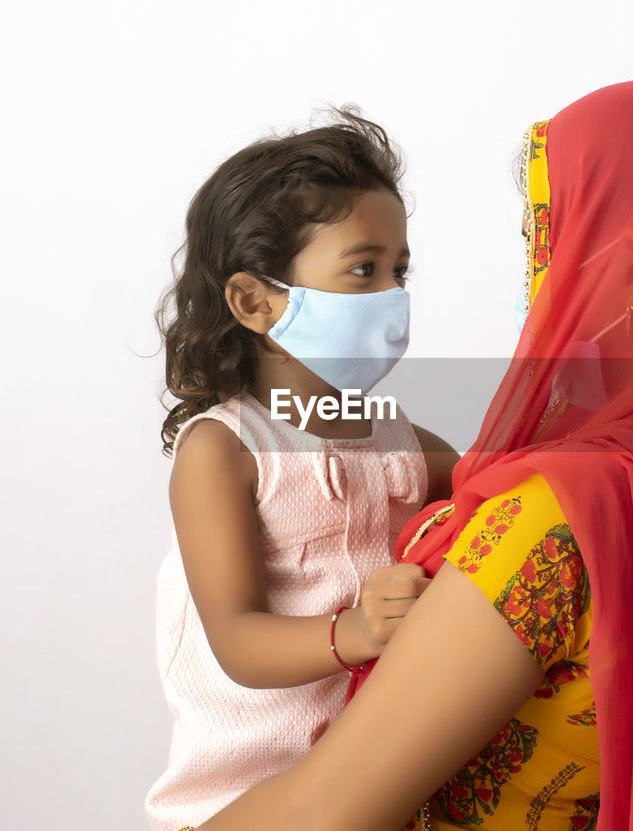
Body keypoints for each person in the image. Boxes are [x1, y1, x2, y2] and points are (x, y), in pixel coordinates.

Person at [192, 79, 633, 831]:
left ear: (627, 274)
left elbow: (317, 815)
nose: (538, 284)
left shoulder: (554, 519)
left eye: (549, 239)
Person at [146, 110, 459, 831]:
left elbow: (498, 483)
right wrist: (352, 631)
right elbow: (238, 640)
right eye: (363, 269)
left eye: (399, 270)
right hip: (242, 802)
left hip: (373, 790)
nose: (393, 295)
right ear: (256, 301)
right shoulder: (222, 451)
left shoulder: (395, 438)